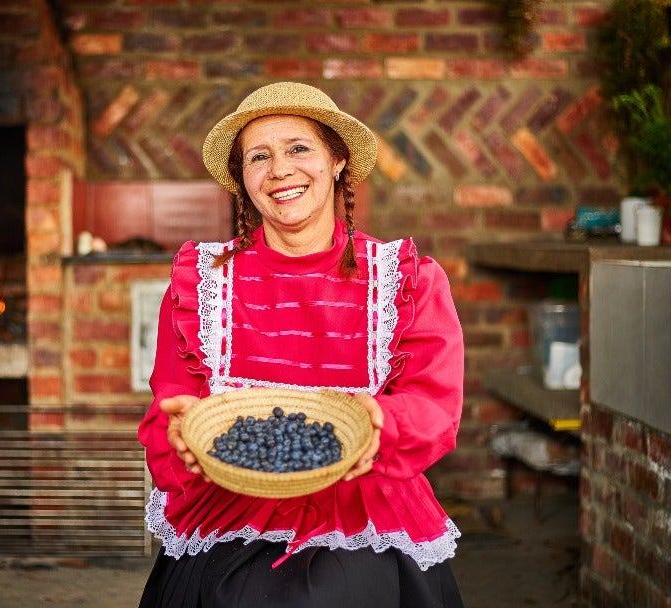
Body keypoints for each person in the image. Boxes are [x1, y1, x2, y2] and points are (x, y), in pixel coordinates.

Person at [137, 81, 466, 608]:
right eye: (258, 157)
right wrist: (179, 440)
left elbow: (435, 409)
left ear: (336, 160)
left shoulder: (406, 280)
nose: (280, 170)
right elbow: (167, 414)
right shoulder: (202, 284)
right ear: (244, 179)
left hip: (366, 516)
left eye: (298, 149)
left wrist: (382, 423)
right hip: (231, 516)